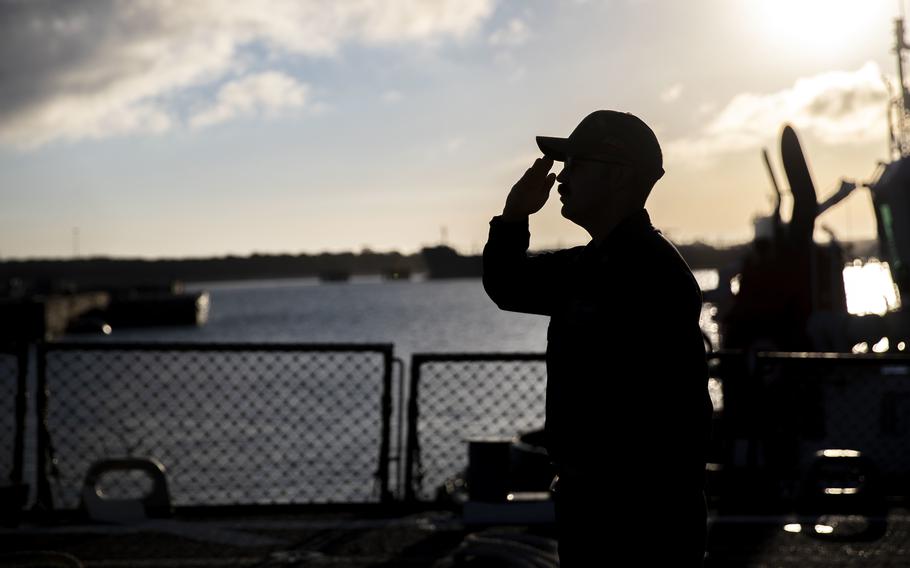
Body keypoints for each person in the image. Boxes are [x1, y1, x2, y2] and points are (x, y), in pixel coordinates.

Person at [482, 110, 713, 566]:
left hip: (641, 518)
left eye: (577, 164)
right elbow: (507, 285)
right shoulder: (599, 264)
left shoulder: (651, 273)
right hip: (599, 504)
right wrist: (513, 216)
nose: (561, 179)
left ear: (619, 177)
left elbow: (665, 418)